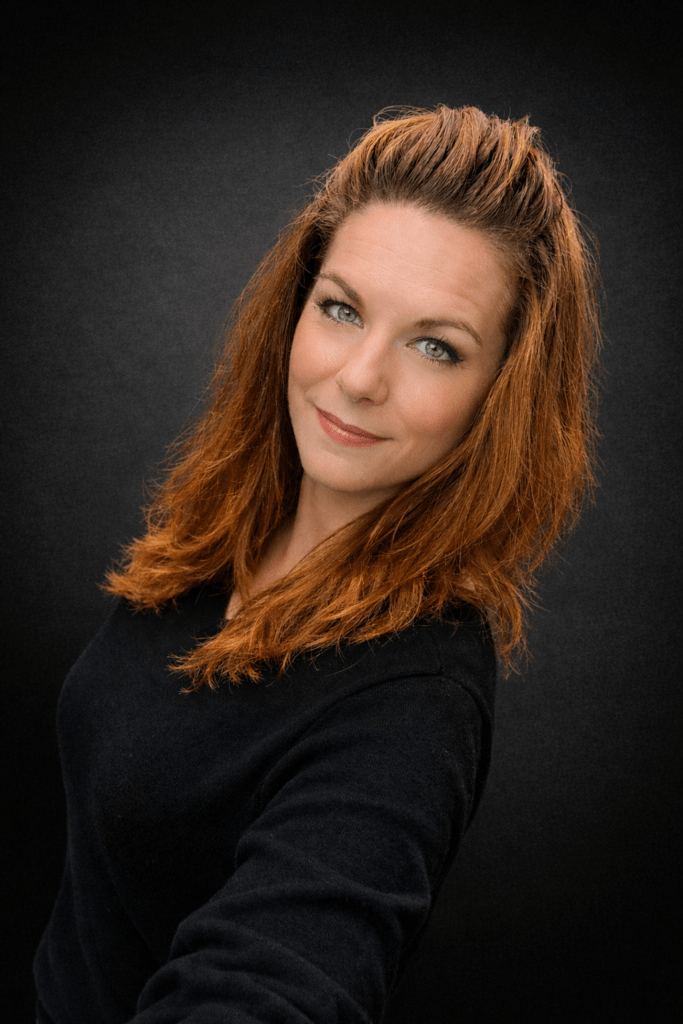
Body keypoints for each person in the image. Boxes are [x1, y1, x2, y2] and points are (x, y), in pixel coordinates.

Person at [34, 105, 600, 1023]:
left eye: (434, 346)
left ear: (501, 394)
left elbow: (276, 986)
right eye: (341, 309)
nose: (358, 377)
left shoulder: (414, 700)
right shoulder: (215, 539)